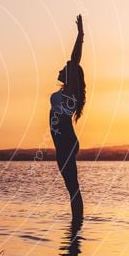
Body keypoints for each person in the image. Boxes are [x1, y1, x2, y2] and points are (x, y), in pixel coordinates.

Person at [49, 14, 87, 221]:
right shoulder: (66, 94)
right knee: (71, 187)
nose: (60, 70)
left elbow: (74, 60)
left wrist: (80, 34)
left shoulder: (71, 94)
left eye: (64, 69)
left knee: (73, 187)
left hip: (66, 143)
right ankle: (76, 224)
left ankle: (77, 226)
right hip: (63, 144)